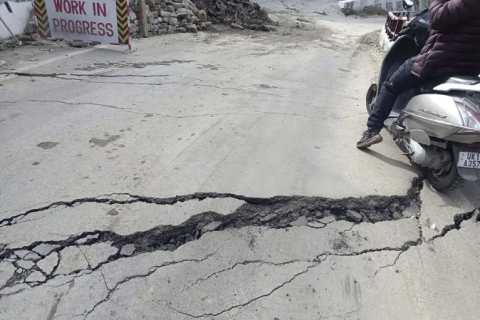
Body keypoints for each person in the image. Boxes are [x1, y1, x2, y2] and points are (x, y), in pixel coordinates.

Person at [356, 0, 480, 149]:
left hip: (440, 61)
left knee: (391, 86)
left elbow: (436, 19)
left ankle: (372, 131)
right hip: (471, 67)